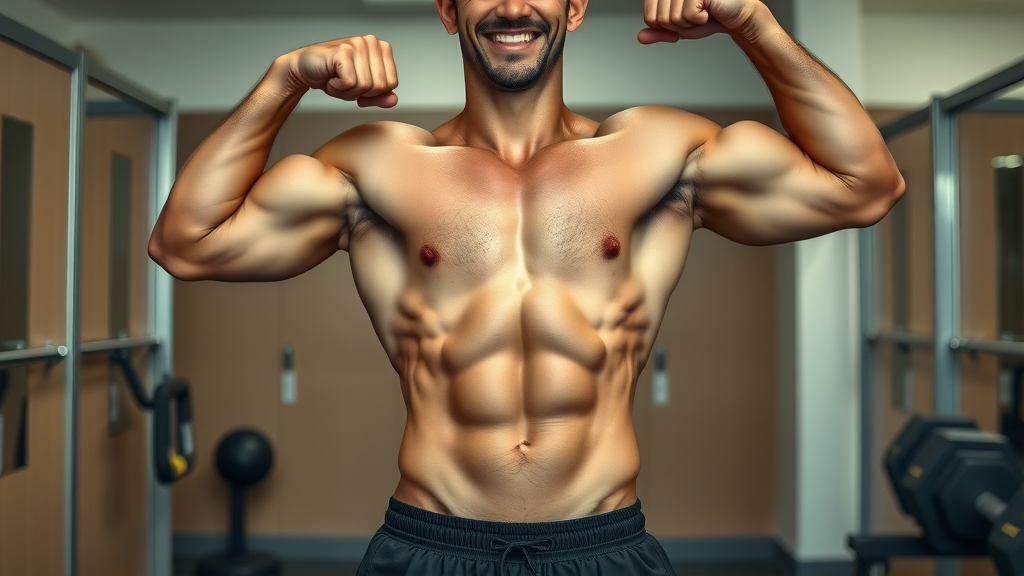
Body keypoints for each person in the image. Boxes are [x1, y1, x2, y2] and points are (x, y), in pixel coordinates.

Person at [149, 0, 904, 573]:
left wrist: (755, 26)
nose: (512, 5)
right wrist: (283, 82)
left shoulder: (658, 152)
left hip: (602, 543)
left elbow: (863, 185)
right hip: (430, 541)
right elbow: (187, 243)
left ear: (574, 7)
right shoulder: (377, 165)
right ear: (449, 11)